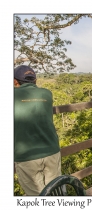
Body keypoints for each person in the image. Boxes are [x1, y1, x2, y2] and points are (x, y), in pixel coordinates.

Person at [14, 65, 61, 195]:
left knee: (37, 196)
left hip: (26, 156)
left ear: (15, 81)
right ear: (35, 80)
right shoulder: (47, 93)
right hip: (51, 150)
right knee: (56, 192)